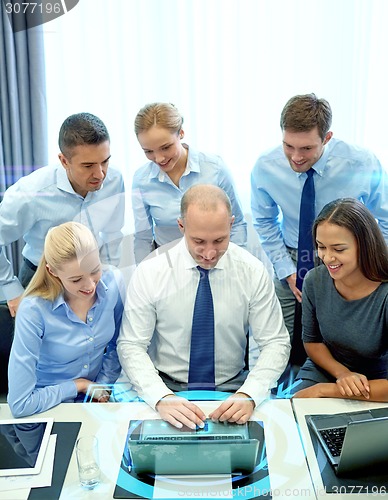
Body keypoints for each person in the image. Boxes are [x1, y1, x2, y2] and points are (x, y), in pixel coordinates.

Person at [117, 184, 290, 429]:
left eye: (219, 240)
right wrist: (160, 396)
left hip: (233, 389)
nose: (209, 253)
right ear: (181, 227)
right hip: (166, 387)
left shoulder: (252, 271)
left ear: (231, 225)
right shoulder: (151, 271)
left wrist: (250, 393)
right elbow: (131, 344)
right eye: (198, 241)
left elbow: (275, 342)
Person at [250, 93, 388, 343]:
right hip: (294, 256)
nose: (296, 157)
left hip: (349, 258)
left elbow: (386, 219)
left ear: (327, 138)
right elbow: (264, 221)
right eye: (288, 146)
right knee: (280, 340)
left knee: (340, 339)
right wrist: (286, 270)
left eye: (306, 148)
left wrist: (370, 264)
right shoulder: (265, 166)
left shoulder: (362, 163)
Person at [0, 112, 125, 317]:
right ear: (64, 161)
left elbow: (113, 232)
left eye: (104, 161)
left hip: (92, 278)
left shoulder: (115, 180)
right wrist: (11, 290)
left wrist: (111, 278)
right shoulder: (30, 193)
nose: (100, 174)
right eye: (88, 166)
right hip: (43, 281)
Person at [7, 222, 124, 418]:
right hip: (45, 405)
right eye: (76, 279)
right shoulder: (34, 310)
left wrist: (102, 386)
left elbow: (117, 344)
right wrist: (78, 386)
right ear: (52, 272)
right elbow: (20, 405)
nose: (90, 286)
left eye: (95, 270)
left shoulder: (114, 283)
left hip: (94, 401)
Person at [292, 199, 388, 402]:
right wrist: (342, 374)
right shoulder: (314, 280)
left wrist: (326, 390)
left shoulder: (385, 293)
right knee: (294, 410)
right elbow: (312, 342)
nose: (327, 258)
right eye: (321, 247)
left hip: (379, 381)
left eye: (338, 249)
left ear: (364, 245)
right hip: (326, 369)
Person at [132, 102, 247, 264]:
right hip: (169, 266)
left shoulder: (215, 168)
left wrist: (235, 265)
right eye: (148, 151)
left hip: (217, 261)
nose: (159, 158)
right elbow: (143, 237)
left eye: (166, 147)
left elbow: (237, 224)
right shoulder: (141, 180)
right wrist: (142, 275)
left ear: (181, 133)